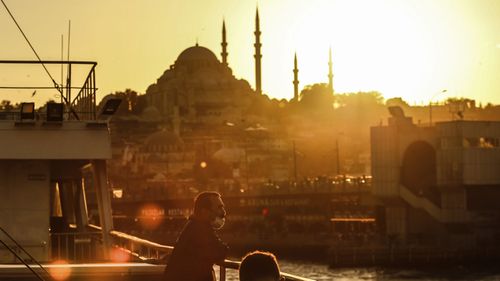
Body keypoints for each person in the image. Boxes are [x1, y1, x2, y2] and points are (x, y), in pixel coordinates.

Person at [163, 191, 229, 281]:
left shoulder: (194, 226)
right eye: (219, 207)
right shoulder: (200, 231)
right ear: (205, 212)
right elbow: (219, 251)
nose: (223, 212)